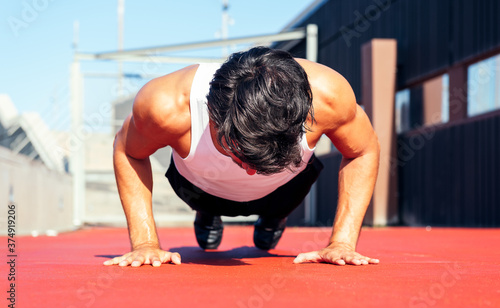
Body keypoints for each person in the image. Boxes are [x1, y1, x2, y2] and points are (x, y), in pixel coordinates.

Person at [104, 47, 380, 268]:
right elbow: (127, 150)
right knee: (207, 212)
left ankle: (275, 217)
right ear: (213, 115)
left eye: (262, 162)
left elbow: (363, 151)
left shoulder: (327, 97)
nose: (251, 172)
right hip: (200, 187)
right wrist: (144, 244)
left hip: (284, 190)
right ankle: (207, 212)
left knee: (275, 220)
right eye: (238, 154)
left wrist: (342, 242)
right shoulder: (165, 105)